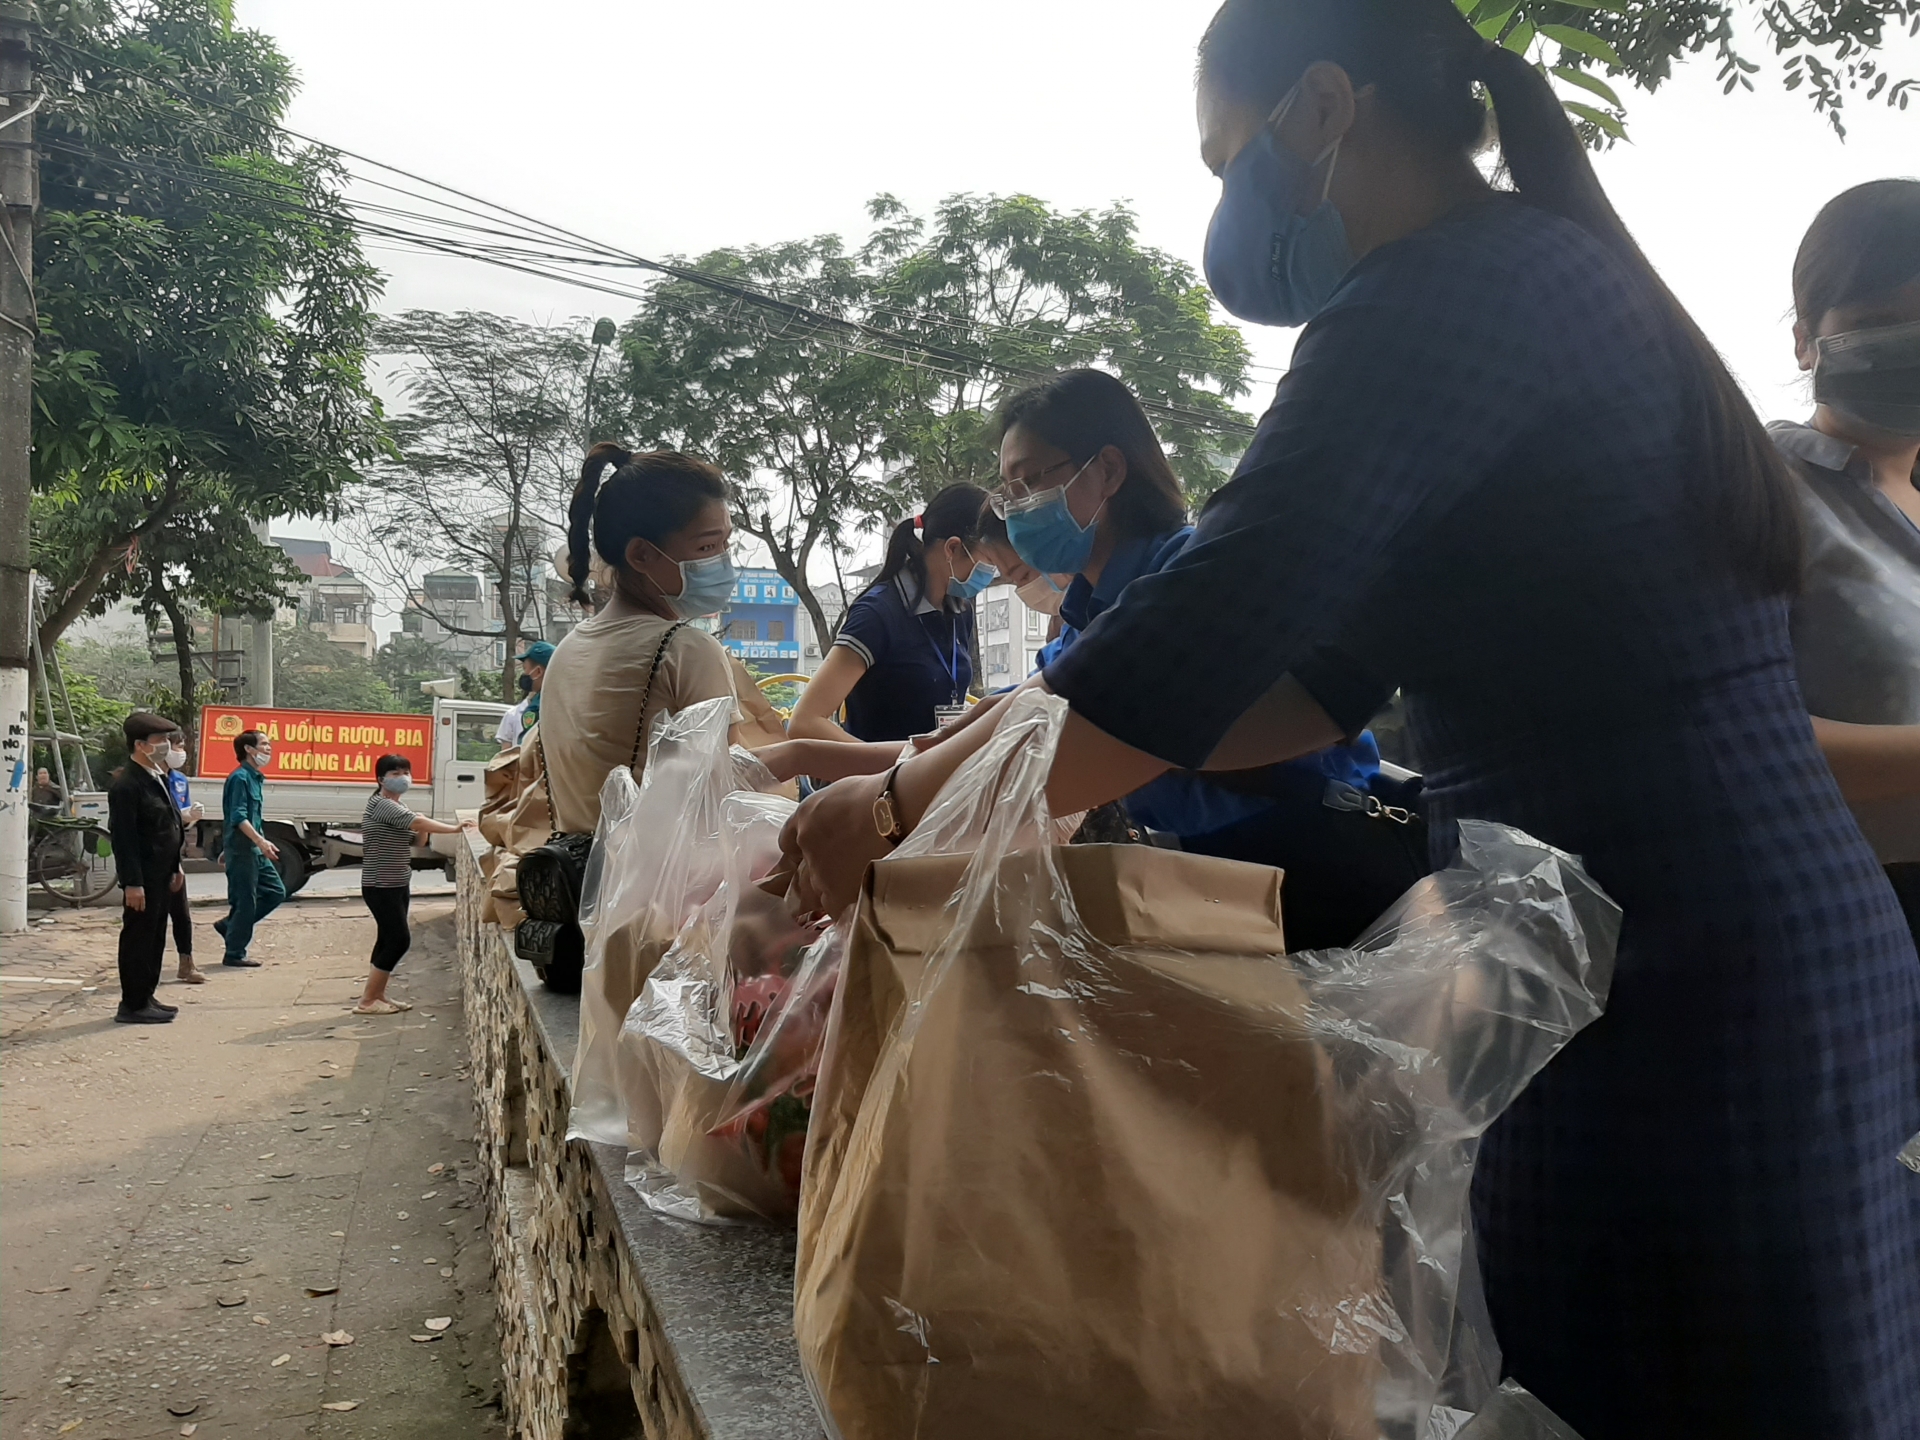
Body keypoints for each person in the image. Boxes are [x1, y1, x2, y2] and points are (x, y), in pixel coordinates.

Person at [779, 2, 1920, 1434]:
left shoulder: (1448, 292)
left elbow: (1197, 635)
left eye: (1222, 158)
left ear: (1326, 108)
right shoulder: (1529, 277)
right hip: (1633, 943)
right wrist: (948, 778)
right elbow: (1297, 683)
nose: (1224, 206)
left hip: (1678, 964)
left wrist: (894, 807)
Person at [996, 368, 1411, 947]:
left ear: (1108, 470)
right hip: (1215, 882)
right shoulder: (1087, 617)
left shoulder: (1191, 581)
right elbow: (1013, 720)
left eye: (1029, 484)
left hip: (1313, 867)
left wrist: (895, 797)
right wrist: (883, 776)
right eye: (1008, 494)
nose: (1016, 511)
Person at [1772, 179, 1920, 942]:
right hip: (1857, 918)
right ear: (1806, 338)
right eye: (1879, 323)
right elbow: (1733, 734)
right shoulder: (1757, 489)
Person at [539, 443, 745, 835]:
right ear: (641, 555)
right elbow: (726, 795)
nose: (722, 561)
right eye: (706, 547)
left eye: (725, 544)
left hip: (585, 888)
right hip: (667, 893)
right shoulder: (685, 650)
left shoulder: (568, 650)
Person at [788, 486, 992, 744]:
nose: (993, 571)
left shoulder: (959, 611)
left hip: (935, 777)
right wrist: (897, 768)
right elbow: (805, 722)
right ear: (952, 548)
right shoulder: (877, 614)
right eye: (988, 560)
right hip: (880, 780)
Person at [354, 753, 469, 1016]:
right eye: (395, 774)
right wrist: (454, 829)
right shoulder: (381, 804)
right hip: (380, 883)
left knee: (386, 939)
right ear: (381, 779)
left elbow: (416, 841)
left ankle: (377, 995)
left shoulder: (398, 807)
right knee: (398, 940)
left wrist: (420, 823)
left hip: (396, 882)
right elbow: (417, 824)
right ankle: (367, 1000)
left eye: (405, 772)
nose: (402, 778)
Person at [106, 712, 187, 1024]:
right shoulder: (127, 786)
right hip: (143, 877)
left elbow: (169, 825)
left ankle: (147, 994)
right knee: (138, 938)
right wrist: (132, 883)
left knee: (155, 936)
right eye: (160, 741)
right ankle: (132, 1004)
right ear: (140, 745)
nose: (166, 746)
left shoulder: (157, 777)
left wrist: (176, 865)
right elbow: (124, 840)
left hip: (163, 873)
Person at [213, 729, 285, 968]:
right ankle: (234, 952)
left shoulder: (254, 777)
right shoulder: (240, 778)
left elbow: (251, 819)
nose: (268, 749)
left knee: (276, 892)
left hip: (251, 850)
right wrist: (260, 842)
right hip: (244, 851)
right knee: (245, 902)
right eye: (264, 744)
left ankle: (229, 927)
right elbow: (238, 816)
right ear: (248, 749)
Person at [159, 726, 205, 986]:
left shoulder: (179, 780)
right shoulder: (149, 779)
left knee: (181, 913)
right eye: (177, 746)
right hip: (153, 857)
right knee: (152, 918)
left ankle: (186, 963)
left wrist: (189, 818)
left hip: (174, 855)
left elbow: (180, 822)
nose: (182, 752)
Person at [495, 641, 554, 749]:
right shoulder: (565, 701)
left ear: (538, 672)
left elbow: (527, 751)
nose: (524, 675)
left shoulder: (536, 708)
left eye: (525, 669)